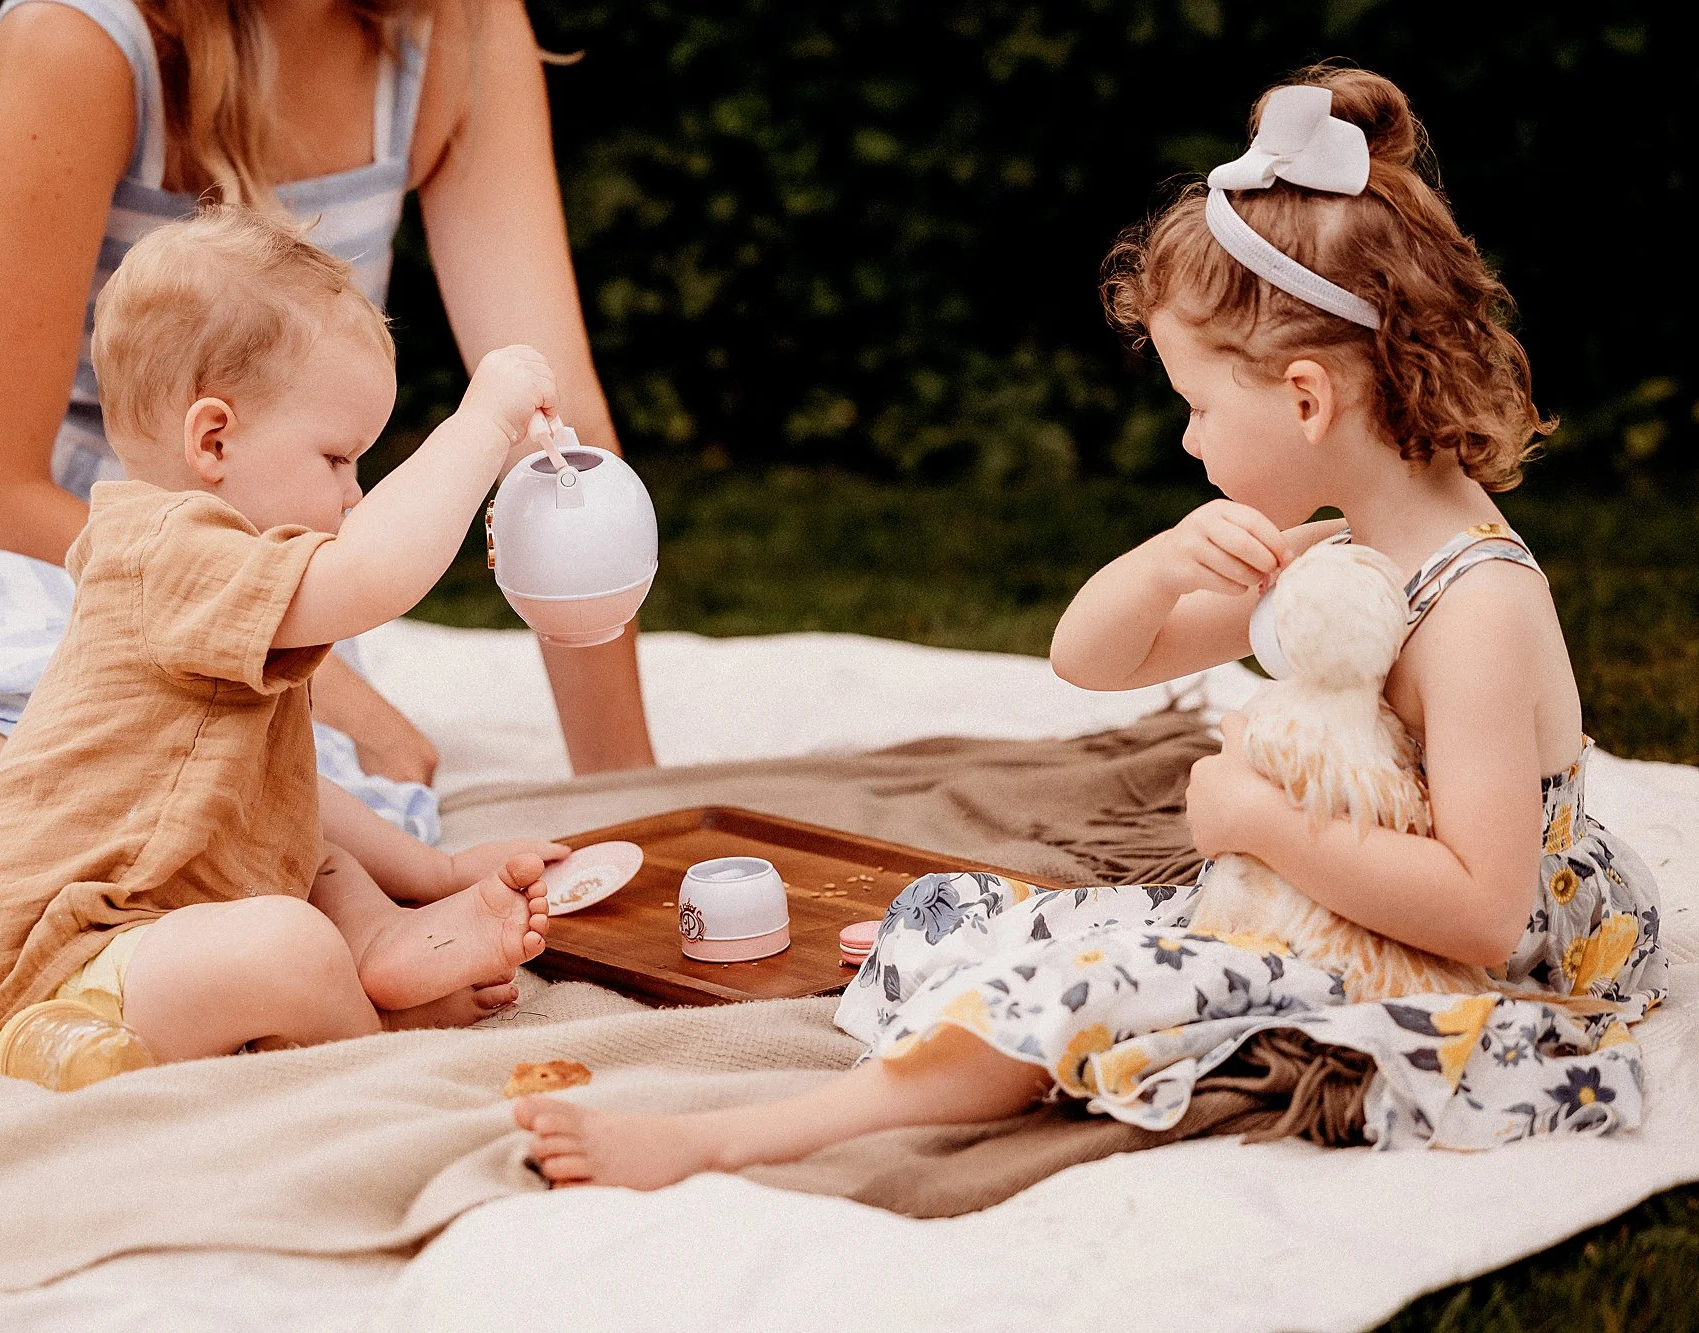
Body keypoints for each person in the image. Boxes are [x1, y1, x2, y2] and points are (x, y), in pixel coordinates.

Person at [516, 67, 1665, 1188]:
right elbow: (1094, 660)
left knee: (1100, 989)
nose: (1187, 443)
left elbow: (1480, 909)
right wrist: (1162, 566)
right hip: (1335, 889)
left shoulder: (1473, 608)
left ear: (1306, 399)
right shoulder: (1342, 559)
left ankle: (743, 1137)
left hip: (1475, 953)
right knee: (1015, 925)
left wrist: (1261, 824)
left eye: (1197, 408)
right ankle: (963, 1022)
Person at [0, 0, 653, 892]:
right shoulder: (82, 40)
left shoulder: (457, 30)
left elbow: (556, 432)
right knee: (51, 782)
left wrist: (633, 808)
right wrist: (320, 673)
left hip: (230, 534)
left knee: (262, 814)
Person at [0, 207, 566, 1085]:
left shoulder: (224, 579)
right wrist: (480, 426)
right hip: (61, 959)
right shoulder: (168, 551)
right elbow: (369, 575)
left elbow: (297, 789)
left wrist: (430, 867)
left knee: (295, 846)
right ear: (214, 440)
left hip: (168, 916)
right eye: (338, 459)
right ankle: (368, 1039)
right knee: (288, 941)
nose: (354, 495)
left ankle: (378, 947)